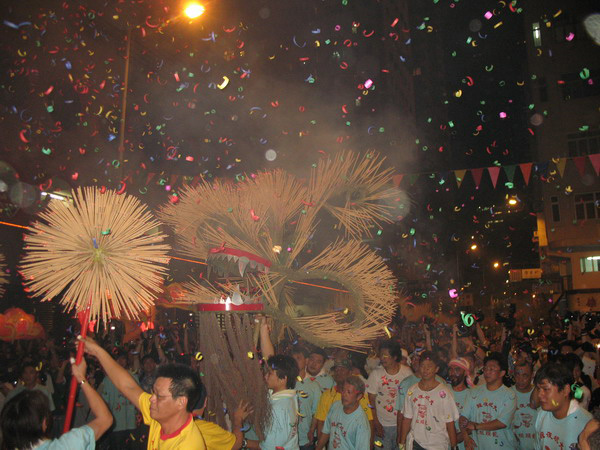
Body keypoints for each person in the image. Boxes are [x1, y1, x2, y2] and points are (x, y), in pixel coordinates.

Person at [79, 336, 207, 449]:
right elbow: (128, 387)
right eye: (153, 392)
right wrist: (97, 351)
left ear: (181, 402)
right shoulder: (162, 417)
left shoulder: (188, 445)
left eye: (159, 396)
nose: (152, 398)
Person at [0, 357, 112, 449]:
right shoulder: (64, 446)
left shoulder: (43, 390)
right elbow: (105, 419)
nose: (28, 376)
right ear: (44, 422)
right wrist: (82, 379)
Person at [399, 351, 459, 450]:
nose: (425, 369)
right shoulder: (412, 390)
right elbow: (407, 418)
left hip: (437, 444)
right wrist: (402, 443)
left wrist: (454, 446)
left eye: (429, 366)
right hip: (416, 443)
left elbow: (450, 422)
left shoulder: (444, 393)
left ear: (436, 369)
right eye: (422, 366)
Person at [460, 352, 517, 449]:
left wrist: (476, 426)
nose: (487, 372)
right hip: (479, 446)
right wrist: (466, 437)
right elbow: (463, 418)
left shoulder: (509, 395)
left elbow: (502, 423)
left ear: (502, 373)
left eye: (492, 369)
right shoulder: (473, 392)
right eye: (485, 368)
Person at [533, 362, 592, 449]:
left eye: (546, 389)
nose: (540, 394)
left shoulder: (586, 424)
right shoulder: (542, 414)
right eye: (538, 389)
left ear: (565, 390)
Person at [366, 340, 412, 449]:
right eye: (381, 355)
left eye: (385, 355)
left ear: (395, 357)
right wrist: (376, 422)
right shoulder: (376, 374)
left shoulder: (407, 373)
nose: (382, 358)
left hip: (400, 426)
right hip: (382, 426)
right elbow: (370, 400)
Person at [246, 354, 300, 449]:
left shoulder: (278, 408)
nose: (265, 376)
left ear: (283, 379)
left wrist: (242, 442)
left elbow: (269, 447)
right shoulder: (290, 398)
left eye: (270, 373)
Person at [314, 359, 373, 438]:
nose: (338, 372)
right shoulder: (327, 395)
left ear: (350, 372)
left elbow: (369, 422)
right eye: (336, 370)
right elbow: (321, 422)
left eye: (342, 369)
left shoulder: (358, 395)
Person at [315, 376, 370, 450]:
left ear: (359, 396)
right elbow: (326, 432)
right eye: (343, 390)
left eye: (349, 392)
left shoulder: (361, 423)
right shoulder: (335, 406)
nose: (344, 394)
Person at [291, 345, 322, 450]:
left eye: (298, 358)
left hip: (305, 439)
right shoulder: (286, 383)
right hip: (288, 438)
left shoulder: (314, 386)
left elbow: (316, 412)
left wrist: (312, 431)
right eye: (293, 359)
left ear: (306, 361)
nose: (295, 362)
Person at [510, 362, 536, 450]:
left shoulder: (540, 394)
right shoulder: (507, 394)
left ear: (532, 375)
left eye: (525, 375)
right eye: (517, 375)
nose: (520, 379)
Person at [448, 358, 472, 450]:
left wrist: (460, 436)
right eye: (450, 369)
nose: (452, 373)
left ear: (465, 372)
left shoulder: (472, 394)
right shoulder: (443, 390)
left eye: (457, 369)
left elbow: (476, 421)